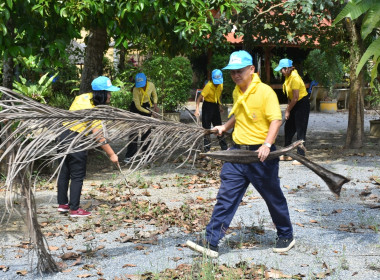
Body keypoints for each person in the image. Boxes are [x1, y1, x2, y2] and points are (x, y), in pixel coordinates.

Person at [186, 50, 294, 258]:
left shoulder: (265, 92)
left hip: (260, 155)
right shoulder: (237, 91)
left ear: (251, 69)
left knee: (272, 197)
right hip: (237, 152)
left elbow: (276, 120)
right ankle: (211, 242)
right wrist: (225, 127)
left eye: (240, 71)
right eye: (232, 72)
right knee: (226, 197)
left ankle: (286, 234)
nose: (236, 75)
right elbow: (238, 113)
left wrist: (267, 145)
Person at [57, 76, 120, 217]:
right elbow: (98, 136)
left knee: (64, 172)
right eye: (108, 92)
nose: (110, 96)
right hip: (76, 139)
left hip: (62, 135)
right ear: (102, 94)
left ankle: (63, 204)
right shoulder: (94, 110)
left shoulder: (81, 98)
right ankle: (75, 209)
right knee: (77, 175)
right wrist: (112, 154)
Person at [274, 59, 310, 164]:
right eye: (281, 69)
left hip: (302, 104)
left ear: (289, 68)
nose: (281, 71)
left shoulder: (295, 78)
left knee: (300, 130)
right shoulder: (287, 77)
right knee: (288, 129)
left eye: (282, 69)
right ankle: (287, 154)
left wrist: (288, 110)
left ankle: (301, 157)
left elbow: (295, 97)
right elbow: (290, 96)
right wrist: (288, 108)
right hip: (294, 103)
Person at [124, 73, 159, 163]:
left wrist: (155, 105)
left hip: (147, 106)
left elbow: (154, 95)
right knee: (134, 132)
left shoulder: (151, 85)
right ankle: (130, 156)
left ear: (146, 81)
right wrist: (151, 113)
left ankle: (146, 154)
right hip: (136, 108)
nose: (141, 87)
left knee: (147, 131)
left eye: (143, 85)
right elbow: (138, 106)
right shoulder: (136, 89)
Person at [194, 69, 228, 152]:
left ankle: (224, 148)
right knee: (207, 129)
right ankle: (207, 150)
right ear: (212, 79)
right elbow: (199, 98)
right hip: (207, 106)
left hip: (215, 106)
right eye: (215, 82)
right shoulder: (208, 86)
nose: (217, 84)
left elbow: (218, 96)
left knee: (219, 127)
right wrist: (197, 110)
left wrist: (219, 105)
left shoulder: (221, 85)